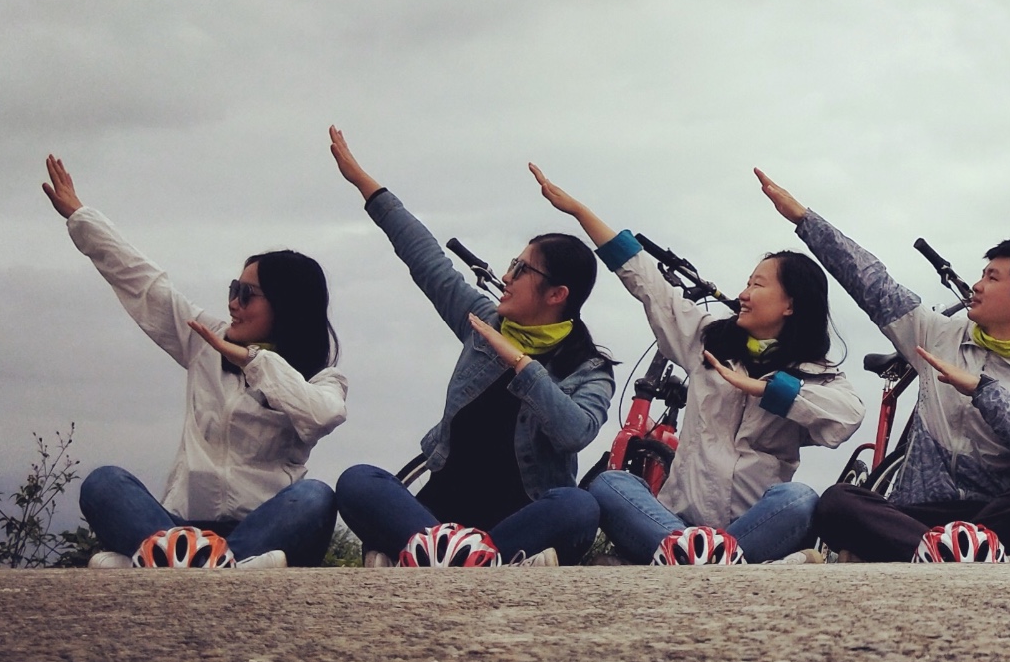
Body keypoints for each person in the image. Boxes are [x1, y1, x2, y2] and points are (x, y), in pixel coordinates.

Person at [529, 165, 865, 564]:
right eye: (747, 283)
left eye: (757, 285)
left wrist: (769, 389)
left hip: (753, 524)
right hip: (678, 521)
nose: (743, 294)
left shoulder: (813, 372)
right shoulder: (708, 341)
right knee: (610, 484)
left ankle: (691, 556)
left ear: (791, 304)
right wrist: (580, 212)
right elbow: (648, 283)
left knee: (800, 499)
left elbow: (848, 416)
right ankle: (704, 555)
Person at [757, 170, 1010, 562]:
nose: (978, 285)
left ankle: (944, 550)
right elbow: (873, 284)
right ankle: (952, 552)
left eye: (992, 278)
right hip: (917, 514)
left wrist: (983, 391)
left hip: (994, 517)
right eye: (982, 275)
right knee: (837, 502)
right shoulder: (938, 334)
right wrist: (804, 220)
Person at [41, 156, 346, 569]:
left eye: (246, 294)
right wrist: (81, 217)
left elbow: (322, 415)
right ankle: (212, 563)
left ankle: (162, 562)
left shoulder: (322, 379)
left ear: (286, 306)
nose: (233, 303)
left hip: (263, 529)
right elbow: (146, 285)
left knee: (316, 498)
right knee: (104, 483)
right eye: (233, 289)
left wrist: (254, 361)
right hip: (183, 529)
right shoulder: (206, 339)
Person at [327, 129, 608, 567]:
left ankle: (436, 554)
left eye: (521, 269)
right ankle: (459, 554)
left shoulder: (589, 368)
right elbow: (426, 259)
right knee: (358, 481)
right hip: (442, 513)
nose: (507, 276)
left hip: (520, 519)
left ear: (557, 294)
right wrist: (365, 183)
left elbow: (576, 432)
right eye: (512, 265)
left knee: (580, 507)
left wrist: (520, 363)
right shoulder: (482, 322)